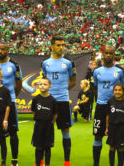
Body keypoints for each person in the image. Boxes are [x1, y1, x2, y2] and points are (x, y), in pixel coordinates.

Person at [41, 36, 76, 166]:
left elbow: (73, 81)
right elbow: (44, 80)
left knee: (65, 130)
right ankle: (43, 159)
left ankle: (67, 161)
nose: (61, 47)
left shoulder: (68, 63)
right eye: (58, 45)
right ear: (52, 47)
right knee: (45, 129)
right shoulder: (45, 63)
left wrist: (62, 91)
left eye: (63, 45)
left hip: (63, 100)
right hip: (48, 101)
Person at [0, 43, 23, 166]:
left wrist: (12, 97)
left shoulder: (14, 65)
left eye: (3, 49)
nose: (0, 51)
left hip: (10, 102)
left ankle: (14, 160)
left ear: (7, 51)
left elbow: (19, 84)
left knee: (13, 133)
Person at [92, 45, 124, 166]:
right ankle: (96, 163)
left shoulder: (119, 71)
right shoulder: (96, 71)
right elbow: (95, 87)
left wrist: (118, 103)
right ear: (103, 54)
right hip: (101, 107)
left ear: (114, 55)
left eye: (110, 53)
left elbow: (123, 88)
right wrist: (98, 101)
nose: (108, 55)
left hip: (115, 107)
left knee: (117, 137)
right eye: (106, 53)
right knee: (97, 136)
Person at [31, 77, 58, 166]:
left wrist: (52, 123)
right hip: (38, 125)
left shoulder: (53, 100)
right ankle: (38, 163)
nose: (42, 86)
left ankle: (47, 164)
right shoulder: (35, 99)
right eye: (40, 84)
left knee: (47, 147)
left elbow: (55, 114)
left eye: (45, 84)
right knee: (38, 147)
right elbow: (34, 111)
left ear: (49, 86)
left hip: (48, 126)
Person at [105, 83, 124, 166]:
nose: (117, 92)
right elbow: (107, 116)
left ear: (123, 91)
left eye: (119, 90)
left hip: (121, 127)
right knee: (112, 147)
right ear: (113, 91)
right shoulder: (110, 101)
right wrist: (107, 128)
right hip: (112, 127)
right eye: (116, 90)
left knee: (121, 147)